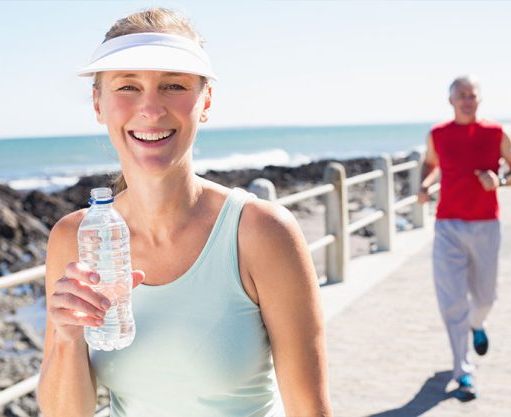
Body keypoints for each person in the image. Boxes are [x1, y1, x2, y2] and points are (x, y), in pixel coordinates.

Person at [36, 8, 332, 417]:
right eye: (128, 87)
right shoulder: (74, 239)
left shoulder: (260, 232)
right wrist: (67, 337)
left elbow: (310, 410)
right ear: (98, 103)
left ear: (205, 100)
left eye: (173, 85)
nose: (151, 109)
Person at [417, 75, 511, 401]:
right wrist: (425, 184)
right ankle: (462, 370)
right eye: (461, 95)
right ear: (450, 100)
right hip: (447, 226)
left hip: (485, 226)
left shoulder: (496, 133)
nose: (467, 99)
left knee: (484, 299)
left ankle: (478, 325)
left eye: (472, 95)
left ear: (479, 99)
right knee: (452, 302)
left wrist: (500, 181)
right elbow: (429, 163)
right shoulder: (437, 134)